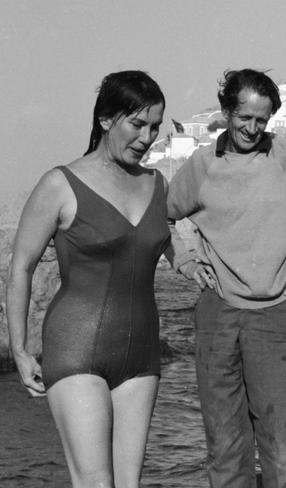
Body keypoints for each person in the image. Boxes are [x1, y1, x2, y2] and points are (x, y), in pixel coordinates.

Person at [166, 69, 286, 488]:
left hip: (274, 316)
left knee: (285, 445)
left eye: (261, 120)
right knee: (225, 443)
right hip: (216, 317)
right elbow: (162, 217)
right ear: (225, 112)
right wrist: (185, 261)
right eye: (244, 118)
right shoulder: (201, 164)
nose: (253, 129)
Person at [6, 70, 179, 488]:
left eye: (154, 127)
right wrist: (19, 349)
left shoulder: (158, 184)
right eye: (137, 124)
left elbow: (177, 250)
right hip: (76, 348)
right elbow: (21, 268)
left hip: (141, 356)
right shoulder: (59, 183)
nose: (147, 137)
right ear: (105, 119)